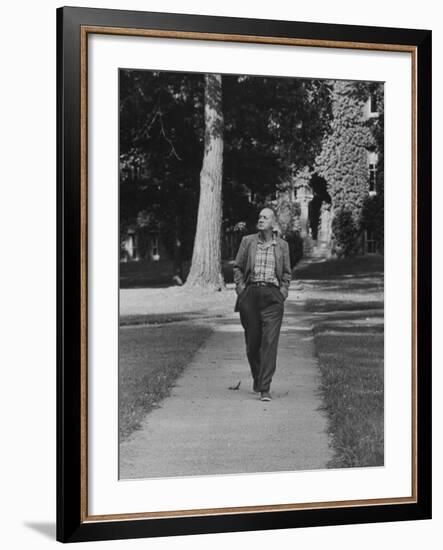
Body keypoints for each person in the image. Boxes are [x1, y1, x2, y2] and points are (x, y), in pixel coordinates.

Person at [233, 207, 292, 401]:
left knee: (269, 342)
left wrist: (283, 292)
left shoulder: (282, 246)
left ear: (273, 223)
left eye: (265, 217)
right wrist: (241, 290)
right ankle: (259, 379)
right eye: (259, 216)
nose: (260, 219)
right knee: (253, 344)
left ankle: (264, 387)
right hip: (250, 295)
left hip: (272, 297)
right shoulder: (248, 242)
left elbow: (286, 274)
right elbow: (238, 267)